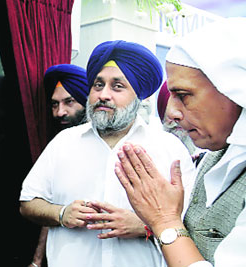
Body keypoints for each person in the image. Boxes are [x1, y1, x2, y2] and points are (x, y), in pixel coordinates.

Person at [19, 40, 196, 267]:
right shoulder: (64, 142)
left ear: (138, 96)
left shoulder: (168, 147)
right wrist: (61, 213)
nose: (103, 94)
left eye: (117, 86)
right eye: (98, 85)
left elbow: (192, 220)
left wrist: (146, 226)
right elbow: (28, 203)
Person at [115, 17, 246, 267]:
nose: (172, 112)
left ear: (235, 89)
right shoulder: (215, 156)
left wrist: (164, 220)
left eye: (183, 95)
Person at [29, 64, 89, 267]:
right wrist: (37, 262)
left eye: (69, 102)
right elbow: (50, 205)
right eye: (54, 104)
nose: (59, 112)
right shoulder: (61, 145)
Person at [157, 81, 205, 162]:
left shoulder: (210, 157)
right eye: (170, 110)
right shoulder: (153, 152)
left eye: (185, 108)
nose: (177, 117)